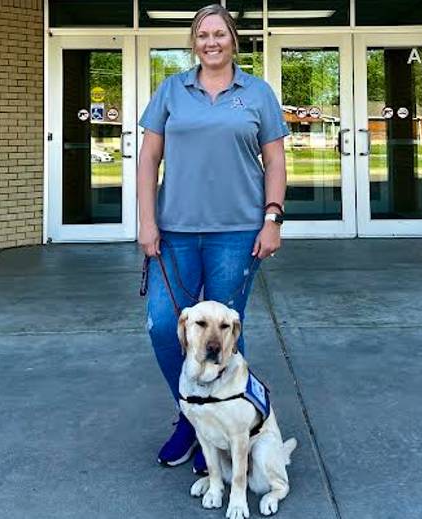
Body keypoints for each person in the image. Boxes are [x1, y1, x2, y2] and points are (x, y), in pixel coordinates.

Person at [136, 4, 288, 476]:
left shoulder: (258, 93)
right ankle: (191, 416)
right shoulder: (171, 91)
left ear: (233, 40)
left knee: (223, 335)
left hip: (238, 233)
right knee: (165, 326)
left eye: (219, 34)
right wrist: (146, 221)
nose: (211, 42)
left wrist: (273, 219)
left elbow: (277, 163)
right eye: (203, 35)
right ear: (194, 42)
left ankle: (221, 426)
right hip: (175, 233)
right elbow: (148, 160)